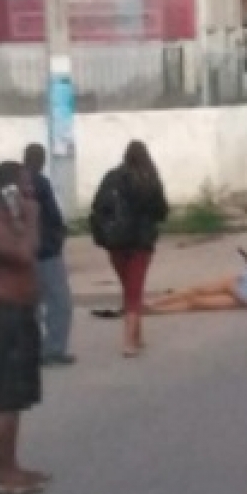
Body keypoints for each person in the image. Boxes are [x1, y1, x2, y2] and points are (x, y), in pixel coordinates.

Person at [0, 159, 50, 494]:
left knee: (16, 397)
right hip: (1, 319)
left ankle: (13, 466)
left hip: (20, 316)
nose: (31, 192)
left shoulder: (12, 223)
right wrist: (31, 217)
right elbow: (24, 255)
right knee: (5, 398)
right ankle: (4, 475)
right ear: (9, 191)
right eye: (25, 185)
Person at [90, 140, 171, 357]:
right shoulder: (149, 179)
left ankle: (137, 335)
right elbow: (161, 211)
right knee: (134, 290)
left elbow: (98, 205)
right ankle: (129, 342)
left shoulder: (111, 177)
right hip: (140, 243)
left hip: (115, 242)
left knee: (130, 288)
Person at [23, 143, 74, 366]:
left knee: (32, 304)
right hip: (46, 251)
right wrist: (59, 235)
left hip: (25, 252)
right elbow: (52, 215)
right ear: (42, 160)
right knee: (60, 302)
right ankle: (53, 348)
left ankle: (31, 349)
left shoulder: (15, 185)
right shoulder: (40, 183)